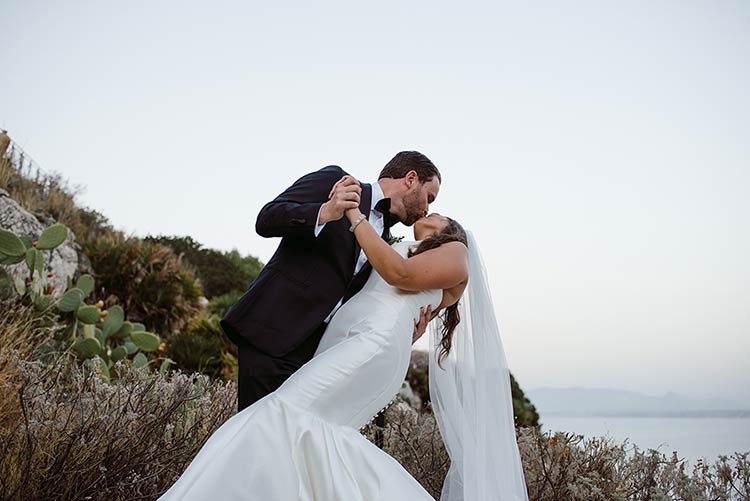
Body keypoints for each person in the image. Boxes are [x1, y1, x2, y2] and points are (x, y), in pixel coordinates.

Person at [159, 178, 530, 500]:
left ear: (453, 230)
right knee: (314, 434)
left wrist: (354, 216)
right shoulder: (395, 242)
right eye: (429, 197)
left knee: (285, 413)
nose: (430, 209)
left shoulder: (457, 253)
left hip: (372, 347)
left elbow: (399, 273)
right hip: (350, 341)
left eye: (436, 206)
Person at [220, 151, 442, 410]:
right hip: (272, 335)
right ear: (411, 178)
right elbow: (267, 218)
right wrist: (325, 211)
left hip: (318, 356)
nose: (427, 209)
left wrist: (403, 329)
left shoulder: (383, 238)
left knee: (289, 442)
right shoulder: (336, 181)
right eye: (429, 197)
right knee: (258, 438)